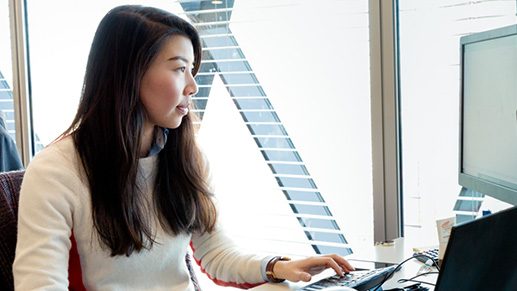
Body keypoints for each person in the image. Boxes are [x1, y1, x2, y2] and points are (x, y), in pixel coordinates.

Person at [13, 5, 354, 290]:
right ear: (129, 74)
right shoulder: (56, 170)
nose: (192, 86)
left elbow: (217, 254)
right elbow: (40, 285)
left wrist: (280, 267)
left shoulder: (186, 158)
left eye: (192, 70)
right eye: (179, 69)